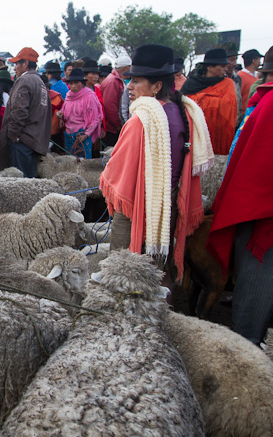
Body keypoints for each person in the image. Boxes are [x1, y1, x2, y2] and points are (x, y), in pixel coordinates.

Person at [207, 42, 273, 345]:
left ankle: (246, 352)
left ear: (269, 74)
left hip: (270, 213)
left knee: (259, 288)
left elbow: (268, 163)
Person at [99, 44, 214, 291]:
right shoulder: (182, 111)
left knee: (123, 271)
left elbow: (117, 174)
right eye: (129, 79)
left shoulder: (142, 119)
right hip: (168, 205)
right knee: (158, 267)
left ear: (157, 86)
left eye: (136, 81)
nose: (129, 86)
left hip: (136, 208)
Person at [0, 47, 52, 178]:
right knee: (30, 182)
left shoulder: (24, 80)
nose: (15, 67)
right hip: (34, 141)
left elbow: (19, 111)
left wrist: (12, 135)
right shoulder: (40, 82)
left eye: (17, 63)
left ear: (26, 64)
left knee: (20, 184)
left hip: (22, 141)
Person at [181, 48, 238, 155]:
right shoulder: (191, 84)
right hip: (196, 134)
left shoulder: (228, 84)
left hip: (219, 137)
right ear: (209, 67)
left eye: (225, 66)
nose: (225, 69)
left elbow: (231, 106)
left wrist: (203, 100)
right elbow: (184, 108)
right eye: (221, 66)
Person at [59, 68, 103, 158]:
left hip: (82, 135)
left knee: (83, 166)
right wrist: (61, 115)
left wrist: (86, 134)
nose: (73, 86)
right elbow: (65, 111)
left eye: (76, 83)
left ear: (83, 84)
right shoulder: (68, 96)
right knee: (69, 164)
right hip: (68, 136)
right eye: (71, 83)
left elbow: (95, 118)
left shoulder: (90, 97)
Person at [100, 55, 131, 146]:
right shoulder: (112, 82)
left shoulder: (118, 80)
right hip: (112, 128)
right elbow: (110, 106)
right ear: (126, 68)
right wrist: (118, 124)